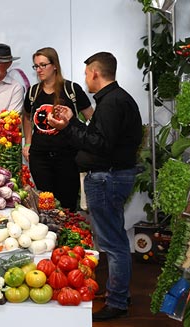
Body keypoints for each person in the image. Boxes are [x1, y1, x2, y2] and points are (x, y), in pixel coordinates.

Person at [48, 52, 143, 321]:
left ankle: (117, 301)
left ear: (95, 73)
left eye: (87, 73)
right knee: (114, 239)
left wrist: (66, 128)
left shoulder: (112, 102)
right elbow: (97, 136)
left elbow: (99, 145)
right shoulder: (115, 99)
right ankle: (118, 292)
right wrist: (74, 121)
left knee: (113, 243)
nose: (86, 79)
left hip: (107, 178)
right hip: (110, 177)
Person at [22, 47, 93, 211]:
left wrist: (88, 141)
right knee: (45, 204)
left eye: (42, 65)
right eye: (36, 66)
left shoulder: (72, 91)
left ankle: (66, 234)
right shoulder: (33, 92)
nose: (38, 70)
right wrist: (28, 143)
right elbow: (25, 116)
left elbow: (92, 118)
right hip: (40, 158)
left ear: (54, 65)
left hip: (68, 157)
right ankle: (49, 234)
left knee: (67, 205)